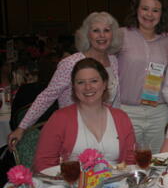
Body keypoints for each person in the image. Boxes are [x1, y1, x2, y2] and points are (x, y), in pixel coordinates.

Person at [8, 12, 122, 150]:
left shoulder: (114, 61)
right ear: (87, 35)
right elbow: (47, 96)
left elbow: (115, 100)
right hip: (75, 132)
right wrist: (22, 127)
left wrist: (118, 126)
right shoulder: (71, 63)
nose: (102, 35)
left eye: (106, 30)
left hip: (106, 132)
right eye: (96, 30)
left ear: (113, 35)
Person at [34, 58, 136, 172]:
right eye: (81, 82)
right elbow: (44, 163)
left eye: (94, 81)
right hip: (73, 186)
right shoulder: (59, 119)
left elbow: (130, 161)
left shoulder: (121, 117)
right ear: (74, 87)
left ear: (104, 84)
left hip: (115, 185)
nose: (88, 87)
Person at [117, 0, 168, 154]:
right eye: (145, 8)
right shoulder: (121, 35)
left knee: (158, 160)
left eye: (155, 10)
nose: (149, 14)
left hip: (158, 112)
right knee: (128, 160)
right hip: (128, 111)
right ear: (136, 9)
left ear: (161, 14)